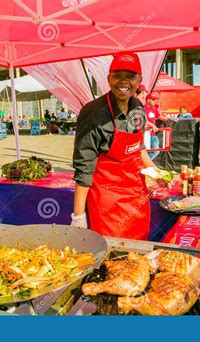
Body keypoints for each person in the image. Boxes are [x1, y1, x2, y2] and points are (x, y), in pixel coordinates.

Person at [71, 52, 156, 241]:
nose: (123, 82)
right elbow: (84, 168)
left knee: (137, 253)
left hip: (136, 196)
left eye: (130, 76)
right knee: (112, 256)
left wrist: (155, 170)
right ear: (109, 78)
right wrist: (78, 216)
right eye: (118, 75)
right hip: (107, 199)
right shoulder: (93, 113)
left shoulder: (138, 108)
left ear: (139, 80)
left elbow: (138, 148)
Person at [144, 93, 167, 160]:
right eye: (153, 99)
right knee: (145, 151)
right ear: (148, 100)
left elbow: (160, 117)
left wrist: (168, 118)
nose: (155, 101)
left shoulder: (154, 109)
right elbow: (144, 120)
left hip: (152, 134)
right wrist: (152, 125)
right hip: (146, 134)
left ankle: (145, 164)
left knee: (156, 151)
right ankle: (144, 164)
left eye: (155, 100)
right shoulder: (142, 109)